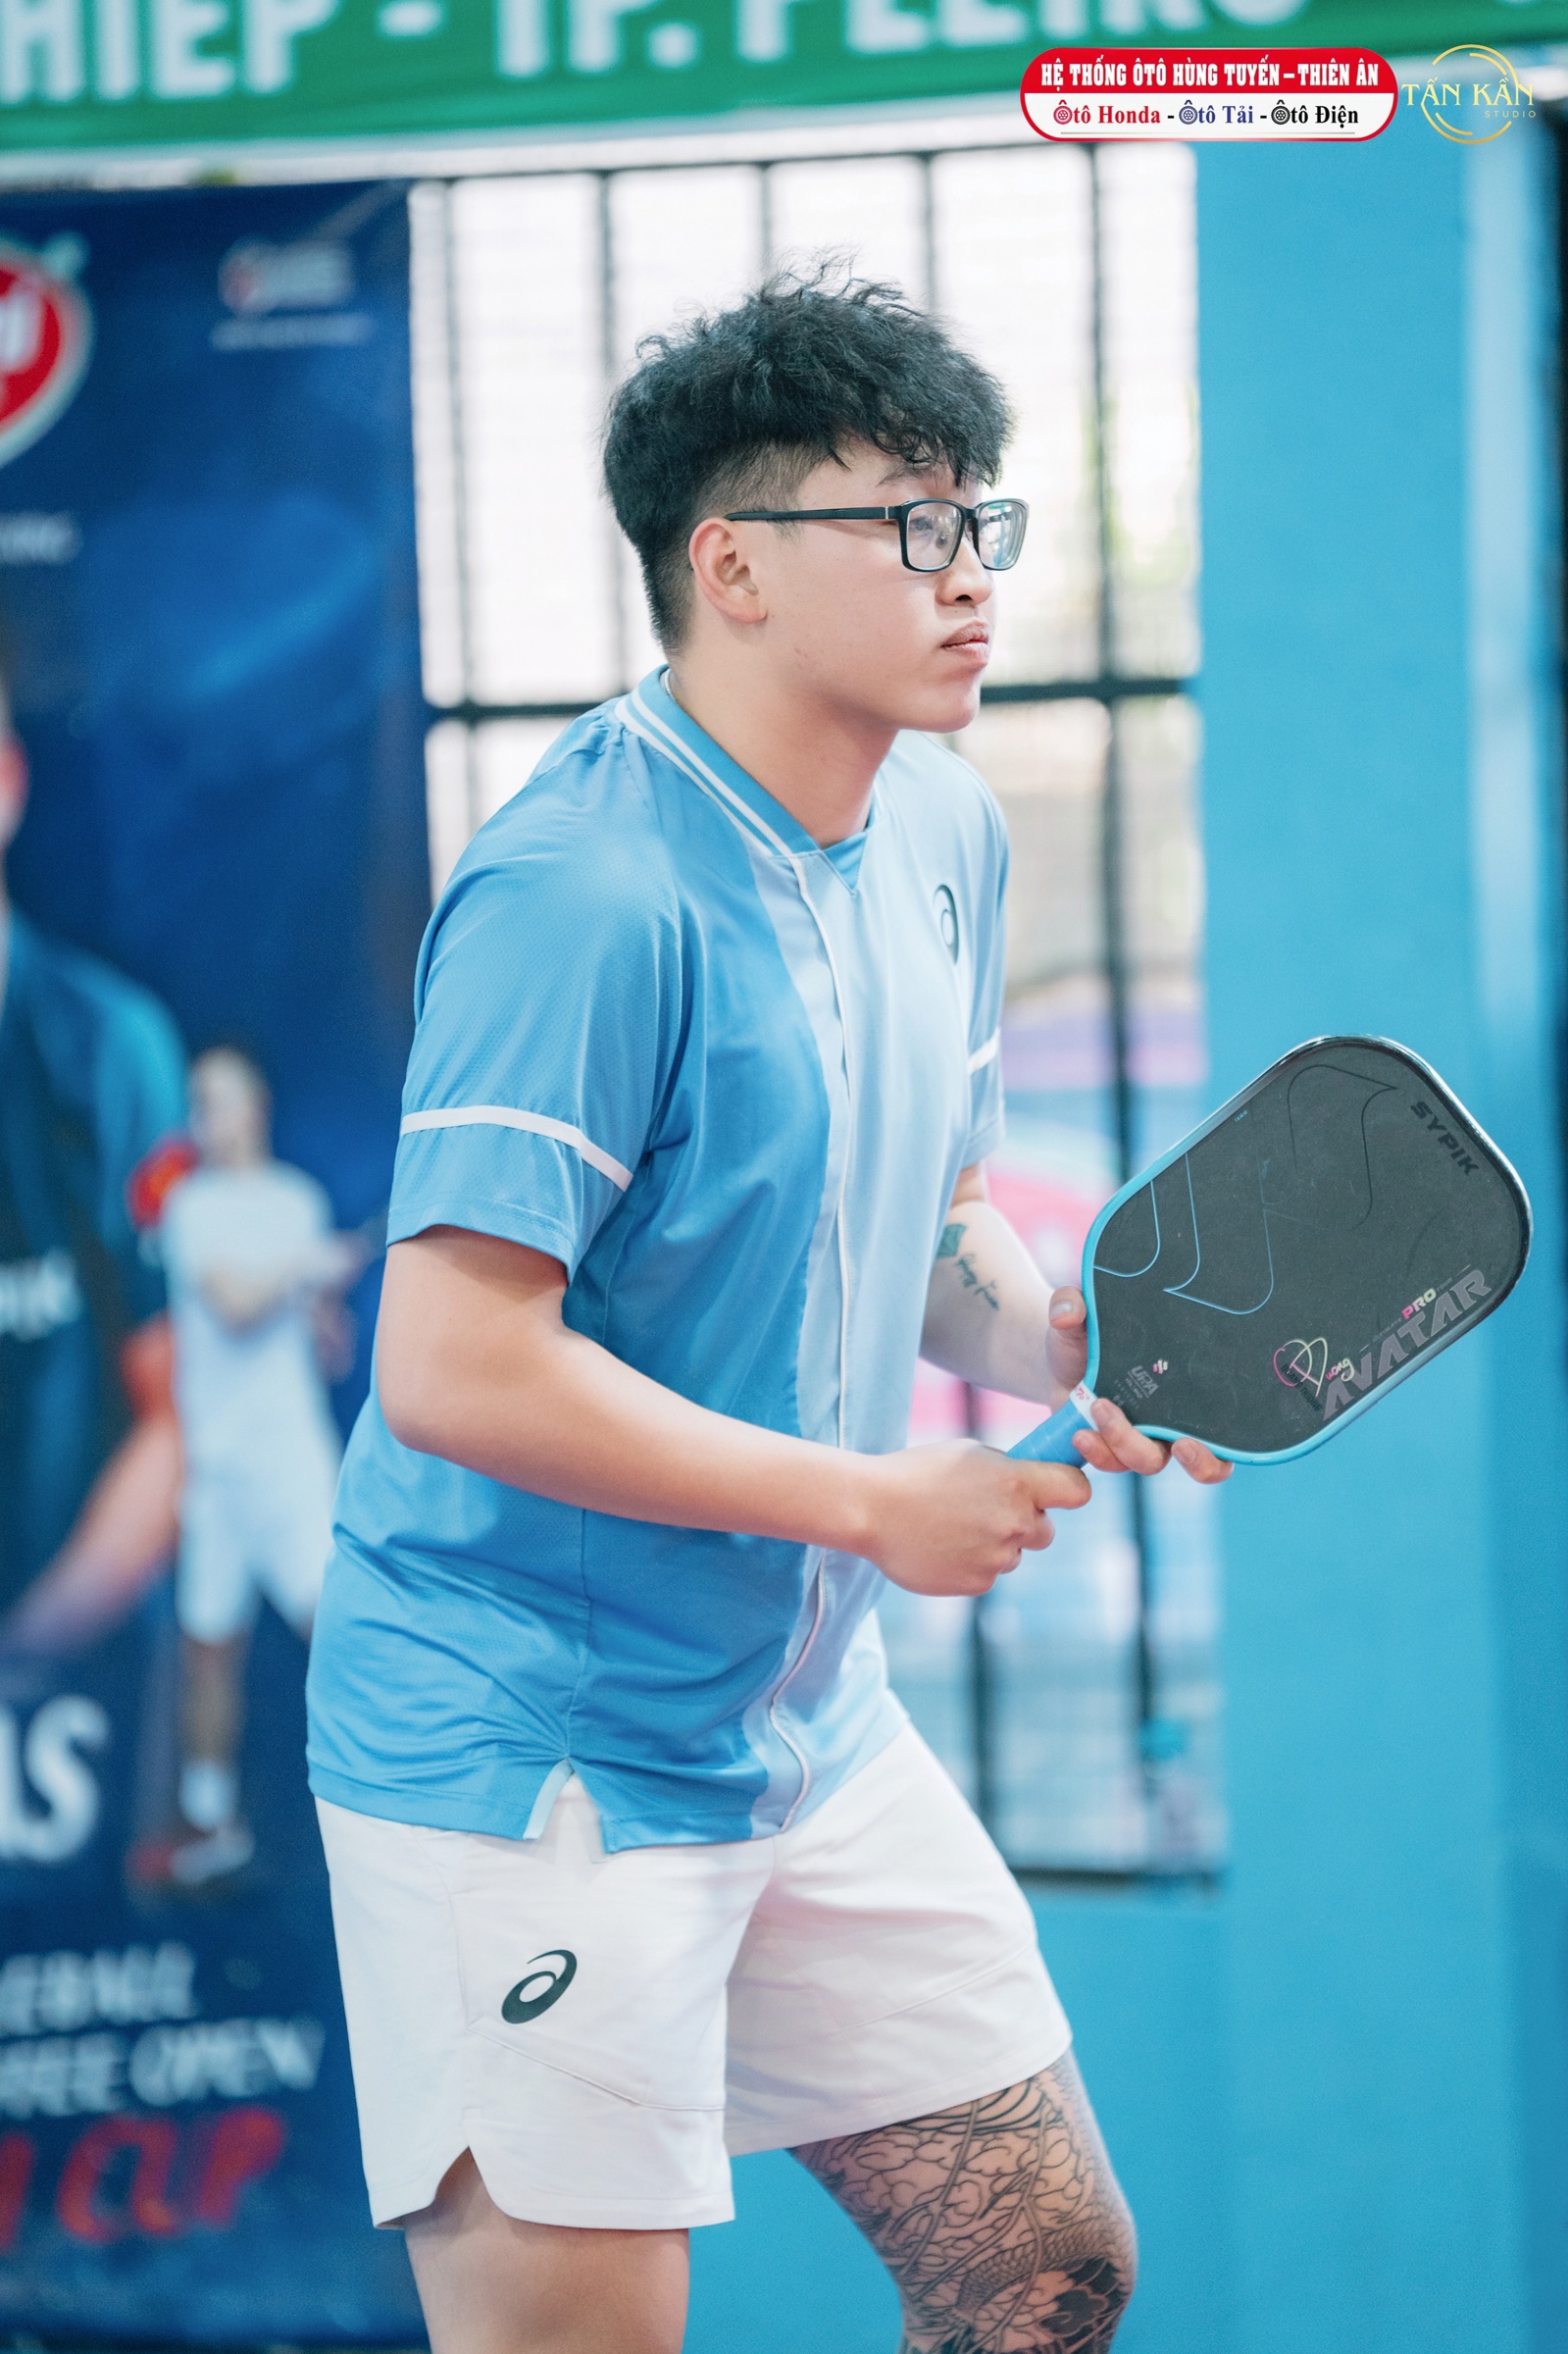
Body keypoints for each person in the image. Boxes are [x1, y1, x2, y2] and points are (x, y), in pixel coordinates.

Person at [306, 269, 1232, 2354]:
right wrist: (871, 1503)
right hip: (527, 1750)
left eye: (975, 518)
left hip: (801, 1721)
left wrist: (1064, 1342)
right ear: (727, 564)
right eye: (907, 523)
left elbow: (929, 1219)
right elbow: (450, 1364)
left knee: (1041, 2271)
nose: (968, 574)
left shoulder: (942, 829)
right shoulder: (578, 894)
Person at [139, 1046, 365, 1890]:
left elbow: (322, 1343)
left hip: (291, 1467)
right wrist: (308, 1265)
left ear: (255, 1105)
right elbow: (233, 1305)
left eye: (219, 1100)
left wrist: (326, 1310)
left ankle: (384, 1802)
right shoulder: (189, 1207)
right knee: (208, 1647)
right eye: (197, 1102)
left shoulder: (298, 1201)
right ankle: (210, 1825)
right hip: (215, 1470)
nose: (206, 1117)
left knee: (339, 1635)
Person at [0, 667, 189, 1663]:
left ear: (8, 781)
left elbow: (180, 1415)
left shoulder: (109, 1048)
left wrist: (24, 1660)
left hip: (75, 1666)